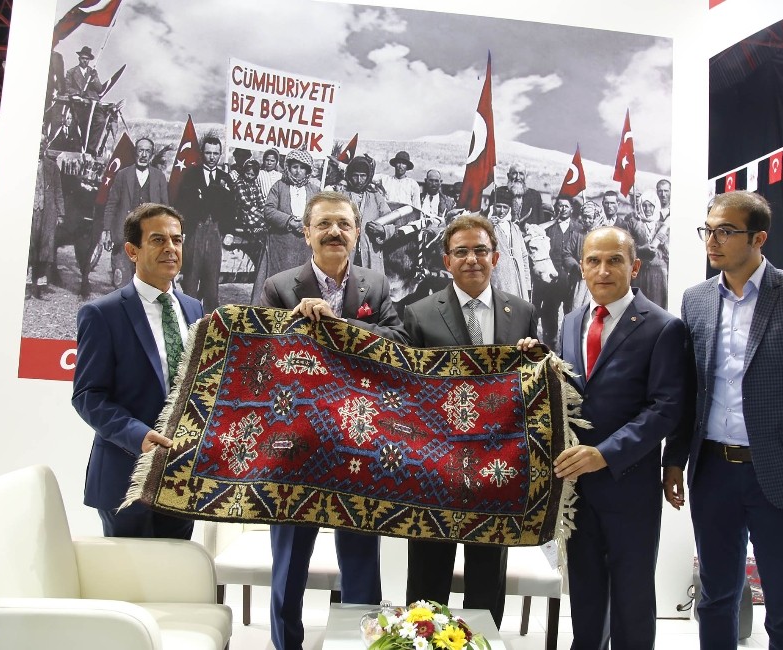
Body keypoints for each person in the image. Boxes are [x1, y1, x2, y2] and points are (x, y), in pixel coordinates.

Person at [663, 190, 783, 650]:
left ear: (758, 238)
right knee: (715, 597)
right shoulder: (697, 300)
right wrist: (674, 459)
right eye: (708, 230)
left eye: (725, 231)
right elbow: (691, 391)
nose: (712, 241)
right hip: (713, 471)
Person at [256, 190, 407, 650]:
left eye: (343, 224)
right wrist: (298, 325)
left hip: (358, 446)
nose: (334, 232)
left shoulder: (376, 285)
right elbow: (263, 358)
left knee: (361, 565)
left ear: (357, 233)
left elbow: (398, 343)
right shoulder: (279, 287)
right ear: (306, 233)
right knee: (289, 567)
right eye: (323, 224)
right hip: (294, 448)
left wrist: (340, 327)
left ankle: (361, 646)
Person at [553, 226, 686, 649]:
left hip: (628, 486)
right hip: (578, 490)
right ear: (582, 267)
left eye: (615, 261)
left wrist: (605, 454)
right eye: (593, 261)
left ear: (635, 267)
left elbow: (666, 408)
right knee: (586, 595)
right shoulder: (571, 323)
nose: (603, 270)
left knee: (632, 600)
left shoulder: (663, 327)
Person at [404, 213, 539, 628]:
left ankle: (483, 641)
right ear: (447, 260)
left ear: (496, 257)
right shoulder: (419, 313)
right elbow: (406, 390)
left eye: (481, 250)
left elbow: (532, 382)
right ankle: (423, 640)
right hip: (436, 466)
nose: (472, 259)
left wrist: (535, 356)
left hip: (497, 467)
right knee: (428, 575)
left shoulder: (522, 312)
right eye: (461, 252)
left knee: (487, 576)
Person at [72, 203, 204, 538]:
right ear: (132, 250)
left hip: (182, 476)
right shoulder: (102, 313)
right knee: (128, 571)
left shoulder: (194, 308)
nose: (170, 248)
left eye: (176, 240)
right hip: (125, 476)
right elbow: (88, 396)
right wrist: (137, 436)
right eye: (158, 240)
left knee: (176, 569)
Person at [251, 148, 321, 303]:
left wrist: (306, 223)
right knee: (276, 285)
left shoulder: (315, 190)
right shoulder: (279, 186)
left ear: (308, 170)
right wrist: (289, 221)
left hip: (304, 248)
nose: (298, 171)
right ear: (288, 167)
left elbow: (322, 214)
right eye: (295, 167)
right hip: (279, 246)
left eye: (302, 168)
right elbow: (269, 210)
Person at [175, 135, 234, 313]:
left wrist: (229, 232)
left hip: (215, 232)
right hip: (195, 231)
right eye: (208, 153)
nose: (212, 157)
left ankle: (209, 319)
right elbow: (181, 204)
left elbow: (232, 208)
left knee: (212, 281)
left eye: (215, 153)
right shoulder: (191, 175)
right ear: (202, 153)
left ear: (220, 154)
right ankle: (188, 316)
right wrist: (181, 230)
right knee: (191, 278)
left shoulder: (225, 178)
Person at [104, 137, 169, 290]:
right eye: (140, 150)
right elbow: (112, 203)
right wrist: (106, 231)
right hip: (124, 237)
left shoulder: (159, 177)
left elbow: (165, 208)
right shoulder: (122, 175)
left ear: (152, 154)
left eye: (147, 151)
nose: (143, 155)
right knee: (121, 282)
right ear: (135, 152)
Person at [534, 194, 581, 351]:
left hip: (571, 277)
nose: (563, 209)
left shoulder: (578, 228)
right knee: (550, 309)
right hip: (552, 277)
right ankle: (551, 342)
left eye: (566, 206)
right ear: (556, 208)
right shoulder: (548, 228)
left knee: (571, 310)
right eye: (560, 206)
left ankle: (569, 344)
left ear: (572, 209)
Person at [30, 143, 65, 300]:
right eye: (36, 143)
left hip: (47, 213)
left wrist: (60, 214)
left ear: (45, 147)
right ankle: (27, 285)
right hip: (31, 213)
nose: (39, 147)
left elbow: (58, 190)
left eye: (42, 144)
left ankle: (40, 287)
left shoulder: (52, 167)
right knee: (29, 246)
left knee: (45, 248)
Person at [487, 186, 530, 300]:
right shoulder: (485, 227)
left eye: (505, 207)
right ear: (492, 207)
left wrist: (527, 284)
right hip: (497, 279)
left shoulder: (515, 228)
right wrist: (487, 226)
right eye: (498, 206)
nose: (502, 211)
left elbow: (524, 256)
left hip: (518, 280)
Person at [64, 46, 104, 153]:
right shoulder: (71, 72)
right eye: (83, 58)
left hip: (91, 105)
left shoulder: (92, 72)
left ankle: (90, 148)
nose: (85, 61)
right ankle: (78, 148)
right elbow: (67, 88)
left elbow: (99, 89)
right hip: (78, 106)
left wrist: (94, 79)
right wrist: (77, 92)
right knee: (78, 124)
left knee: (100, 121)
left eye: (87, 59)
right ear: (79, 58)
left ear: (89, 60)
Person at [231, 158, 267, 271]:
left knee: (267, 221)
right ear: (244, 171)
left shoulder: (255, 185)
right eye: (248, 173)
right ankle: (255, 234)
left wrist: (264, 210)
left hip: (255, 211)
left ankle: (259, 241)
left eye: (252, 175)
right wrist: (257, 212)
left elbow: (260, 199)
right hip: (244, 212)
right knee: (257, 221)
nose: (250, 176)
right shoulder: (240, 183)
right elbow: (245, 202)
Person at [494, 163, 544, 227]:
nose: (518, 177)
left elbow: (541, 222)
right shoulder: (498, 193)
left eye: (521, 174)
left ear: (525, 176)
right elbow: (488, 217)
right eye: (514, 173)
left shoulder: (535, 196)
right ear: (508, 175)